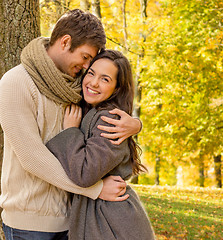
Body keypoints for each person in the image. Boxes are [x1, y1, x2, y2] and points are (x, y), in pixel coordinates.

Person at [0, 9, 142, 240]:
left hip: (74, 221)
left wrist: (136, 124)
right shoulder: (16, 82)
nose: (87, 67)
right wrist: (95, 190)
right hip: (30, 224)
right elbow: (32, 158)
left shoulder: (77, 84)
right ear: (66, 42)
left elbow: (107, 106)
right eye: (86, 57)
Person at [46, 49, 155, 240]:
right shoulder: (91, 110)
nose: (94, 83)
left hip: (112, 222)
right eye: (91, 73)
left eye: (105, 79)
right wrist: (137, 124)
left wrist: (70, 132)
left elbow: (85, 173)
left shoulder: (109, 119)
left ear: (117, 88)